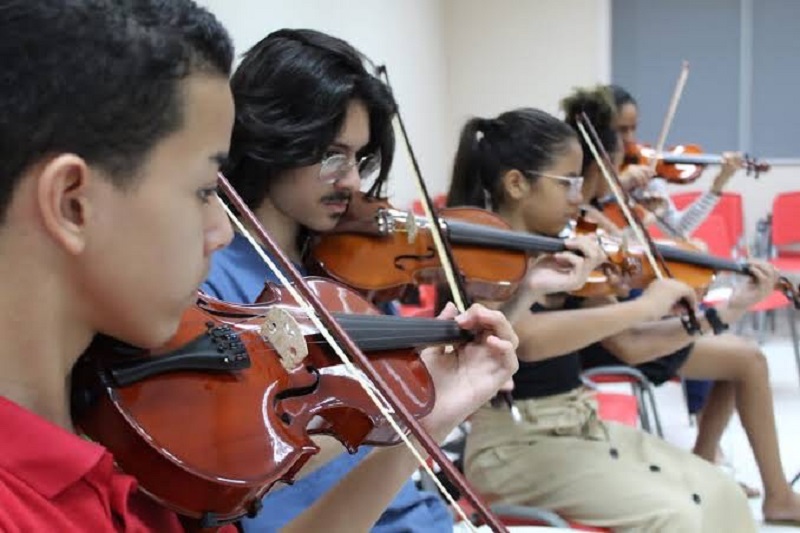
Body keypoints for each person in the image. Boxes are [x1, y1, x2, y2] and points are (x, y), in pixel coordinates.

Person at [0, 4, 519, 532]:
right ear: (72, 204)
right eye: (205, 189)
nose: (221, 230)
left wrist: (428, 415)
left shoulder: (120, 472)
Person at [203, 28, 599, 532]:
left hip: (421, 516)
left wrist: (525, 292)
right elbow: (241, 469)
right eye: (331, 154)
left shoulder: (350, 267)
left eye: (358, 158)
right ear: (275, 138)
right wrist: (398, 406)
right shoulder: (215, 284)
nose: (349, 180)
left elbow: (429, 395)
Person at [447, 105, 771, 531]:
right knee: (677, 519)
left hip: (580, 425)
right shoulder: (478, 260)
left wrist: (725, 312)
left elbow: (631, 343)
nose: (580, 198)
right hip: (513, 448)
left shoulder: (562, 251)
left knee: (722, 493)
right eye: (569, 184)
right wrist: (645, 303)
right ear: (516, 184)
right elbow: (527, 339)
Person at [562, 86, 800, 525]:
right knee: (748, 359)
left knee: (739, 357)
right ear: (602, 155)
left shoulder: (607, 209)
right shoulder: (586, 218)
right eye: (623, 137)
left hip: (624, 321)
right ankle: (776, 493)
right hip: (603, 338)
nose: (634, 148)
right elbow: (620, 316)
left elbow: (657, 252)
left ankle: (708, 461)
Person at [610, 84, 745, 239]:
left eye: (633, 128)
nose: (630, 138)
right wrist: (619, 184)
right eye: (621, 130)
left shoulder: (646, 173)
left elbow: (679, 230)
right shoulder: (590, 168)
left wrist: (719, 183)